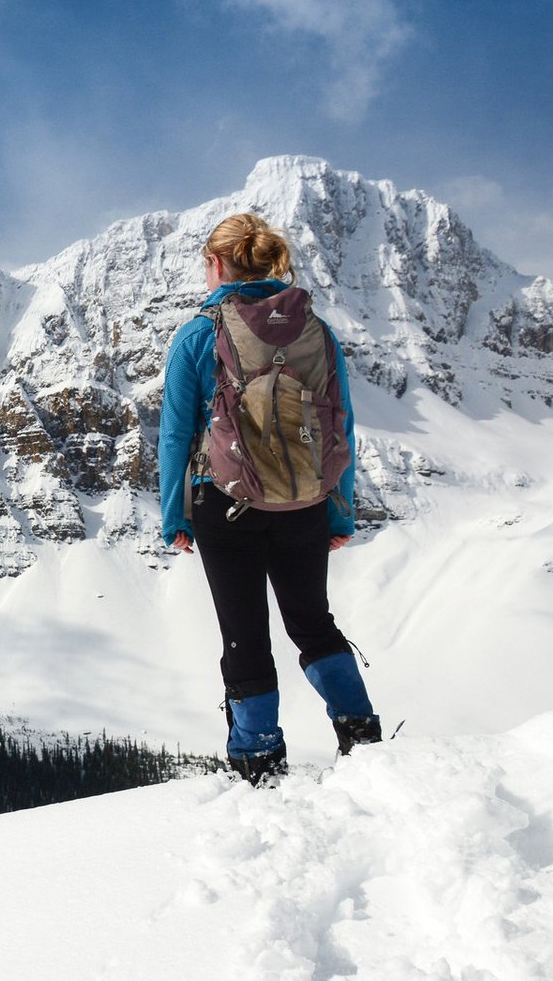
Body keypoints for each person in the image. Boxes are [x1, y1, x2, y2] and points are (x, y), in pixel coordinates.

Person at [157, 213, 382, 785]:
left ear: (216, 264)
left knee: (244, 633)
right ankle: (361, 734)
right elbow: (341, 426)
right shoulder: (318, 330)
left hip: (224, 505)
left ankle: (258, 758)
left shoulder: (197, 334)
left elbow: (177, 436)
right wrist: (337, 507)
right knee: (312, 621)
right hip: (304, 502)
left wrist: (174, 516)